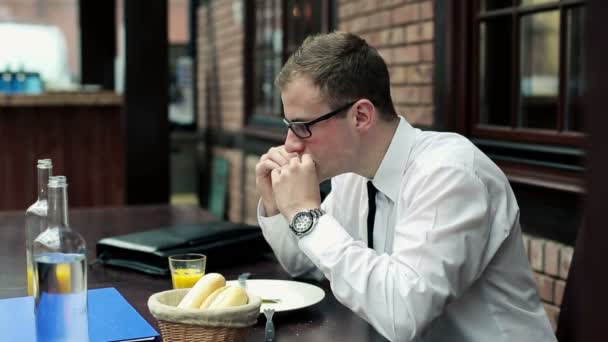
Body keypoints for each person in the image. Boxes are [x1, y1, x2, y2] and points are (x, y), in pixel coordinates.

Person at [255, 31, 556, 342]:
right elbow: (303, 264)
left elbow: (402, 315)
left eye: (302, 127)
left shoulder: (449, 173)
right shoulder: (351, 175)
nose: (290, 145)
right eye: (289, 127)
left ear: (360, 116)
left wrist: (309, 217)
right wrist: (279, 207)